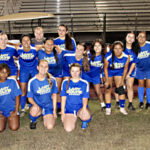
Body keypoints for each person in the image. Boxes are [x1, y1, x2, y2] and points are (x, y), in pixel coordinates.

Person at [38, 38, 73, 113]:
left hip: (57, 74)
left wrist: (58, 47)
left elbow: (72, 52)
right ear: (44, 44)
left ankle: (59, 107)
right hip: (46, 74)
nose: (49, 46)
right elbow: (30, 48)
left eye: (51, 44)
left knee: (57, 90)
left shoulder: (59, 52)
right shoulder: (40, 52)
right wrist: (41, 46)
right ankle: (46, 106)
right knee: (46, 90)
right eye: (47, 44)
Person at [27, 59, 58, 129]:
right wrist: (35, 105)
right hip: (37, 105)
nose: (43, 68)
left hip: (48, 106)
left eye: (46, 67)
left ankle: (45, 114)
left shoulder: (52, 79)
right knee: (34, 110)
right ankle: (33, 120)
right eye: (41, 66)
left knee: (50, 126)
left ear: (48, 68)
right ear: (37, 67)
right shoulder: (32, 81)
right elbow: (29, 98)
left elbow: (54, 95)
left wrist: (54, 110)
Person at [61, 63, 91, 132]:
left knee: (86, 115)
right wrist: (62, 112)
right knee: (68, 129)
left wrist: (84, 109)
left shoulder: (84, 83)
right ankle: (73, 117)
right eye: (73, 71)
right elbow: (63, 98)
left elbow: (85, 98)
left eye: (77, 71)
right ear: (70, 72)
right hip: (69, 110)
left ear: (80, 72)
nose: (75, 73)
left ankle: (84, 121)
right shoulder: (65, 82)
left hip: (80, 108)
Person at [104, 41, 130, 115]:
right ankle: (108, 108)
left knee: (121, 89)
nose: (117, 50)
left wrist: (123, 80)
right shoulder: (108, 56)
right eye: (115, 48)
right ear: (113, 49)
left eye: (119, 48)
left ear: (122, 49)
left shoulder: (126, 56)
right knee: (108, 88)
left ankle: (122, 108)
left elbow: (125, 69)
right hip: (109, 71)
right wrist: (106, 80)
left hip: (119, 71)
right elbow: (105, 68)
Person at [17, 34, 38, 117]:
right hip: (24, 70)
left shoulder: (35, 48)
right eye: (24, 40)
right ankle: (22, 108)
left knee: (35, 88)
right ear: (21, 42)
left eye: (28, 40)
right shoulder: (18, 48)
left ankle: (35, 105)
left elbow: (45, 46)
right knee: (23, 89)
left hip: (34, 69)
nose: (26, 42)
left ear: (30, 41)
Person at [82, 39, 106, 110]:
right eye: (95, 46)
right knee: (86, 90)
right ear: (93, 47)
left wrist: (102, 76)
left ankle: (103, 105)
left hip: (96, 75)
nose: (97, 47)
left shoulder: (104, 56)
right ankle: (83, 105)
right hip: (86, 74)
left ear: (102, 47)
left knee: (98, 91)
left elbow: (104, 68)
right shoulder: (88, 54)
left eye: (99, 46)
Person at [0, 64, 21, 132]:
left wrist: (15, 111)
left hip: (11, 109)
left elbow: (17, 96)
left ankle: (10, 117)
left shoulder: (12, 81)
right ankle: (4, 118)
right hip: (1, 110)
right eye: (2, 72)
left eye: (6, 72)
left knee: (14, 128)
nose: (4, 74)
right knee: (0, 129)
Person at [123, 32, 140, 110]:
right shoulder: (121, 49)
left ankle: (130, 104)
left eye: (132, 37)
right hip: (120, 70)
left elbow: (134, 63)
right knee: (120, 87)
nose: (130, 38)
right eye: (128, 36)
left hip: (131, 71)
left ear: (134, 40)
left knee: (130, 86)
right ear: (125, 38)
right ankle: (118, 103)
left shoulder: (136, 50)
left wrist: (128, 74)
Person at [136, 31, 150, 109]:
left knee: (149, 85)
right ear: (137, 38)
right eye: (140, 36)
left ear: (145, 38)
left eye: (143, 36)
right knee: (141, 84)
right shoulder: (135, 47)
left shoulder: (149, 45)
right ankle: (141, 102)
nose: (141, 38)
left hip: (149, 69)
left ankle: (148, 102)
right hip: (140, 69)